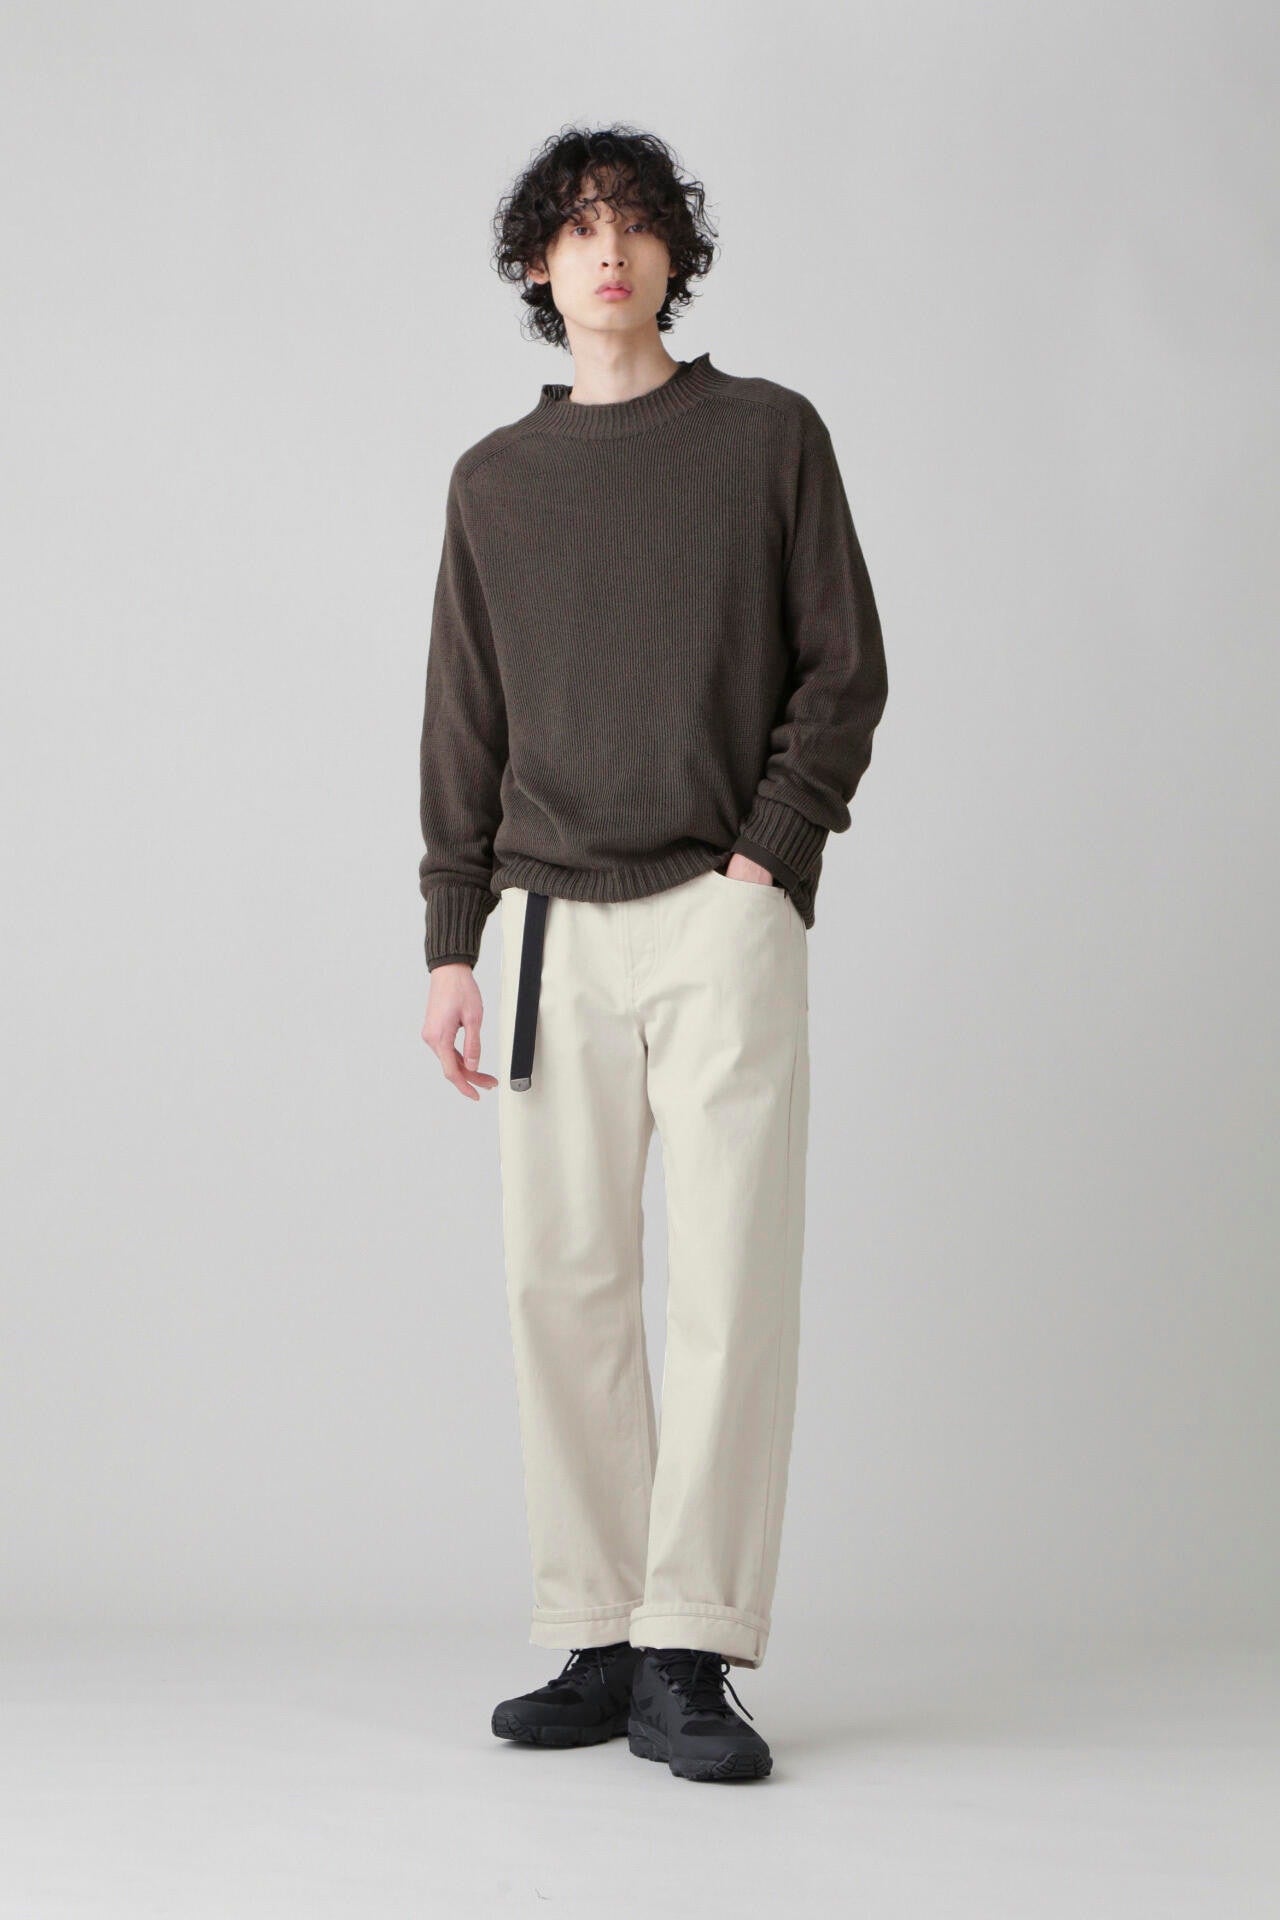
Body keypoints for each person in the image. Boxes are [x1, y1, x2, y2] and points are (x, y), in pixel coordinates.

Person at [418, 125, 888, 1784]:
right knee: (561, 1282)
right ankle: (603, 1631)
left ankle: (695, 1645)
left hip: (719, 907)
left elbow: (844, 667)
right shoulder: (495, 483)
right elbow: (462, 724)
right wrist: (452, 938)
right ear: (536, 268)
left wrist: (771, 859)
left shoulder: (767, 438)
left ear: (677, 254)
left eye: (633, 224)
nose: (606, 251)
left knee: (733, 1279)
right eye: (575, 228)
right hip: (547, 921)